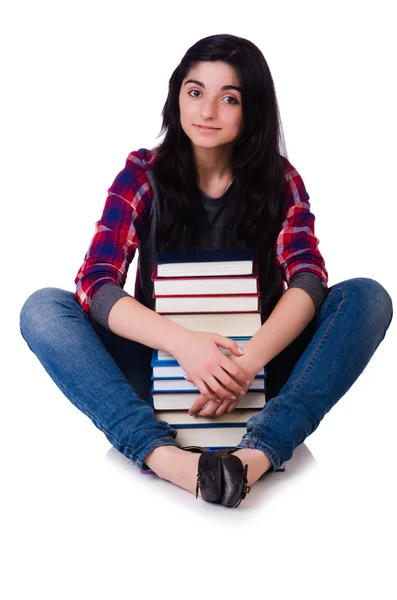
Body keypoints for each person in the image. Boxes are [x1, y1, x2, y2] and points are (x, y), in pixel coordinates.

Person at [19, 33, 393, 508]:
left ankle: (256, 455)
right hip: (160, 368)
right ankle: (165, 457)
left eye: (229, 98)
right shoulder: (142, 174)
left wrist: (247, 362)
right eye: (195, 92)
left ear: (252, 109)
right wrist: (184, 345)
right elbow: (96, 282)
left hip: (256, 371)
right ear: (177, 96)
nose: (207, 111)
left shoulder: (280, 179)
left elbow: (308, 278)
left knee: (367, 297)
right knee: (43, 309)